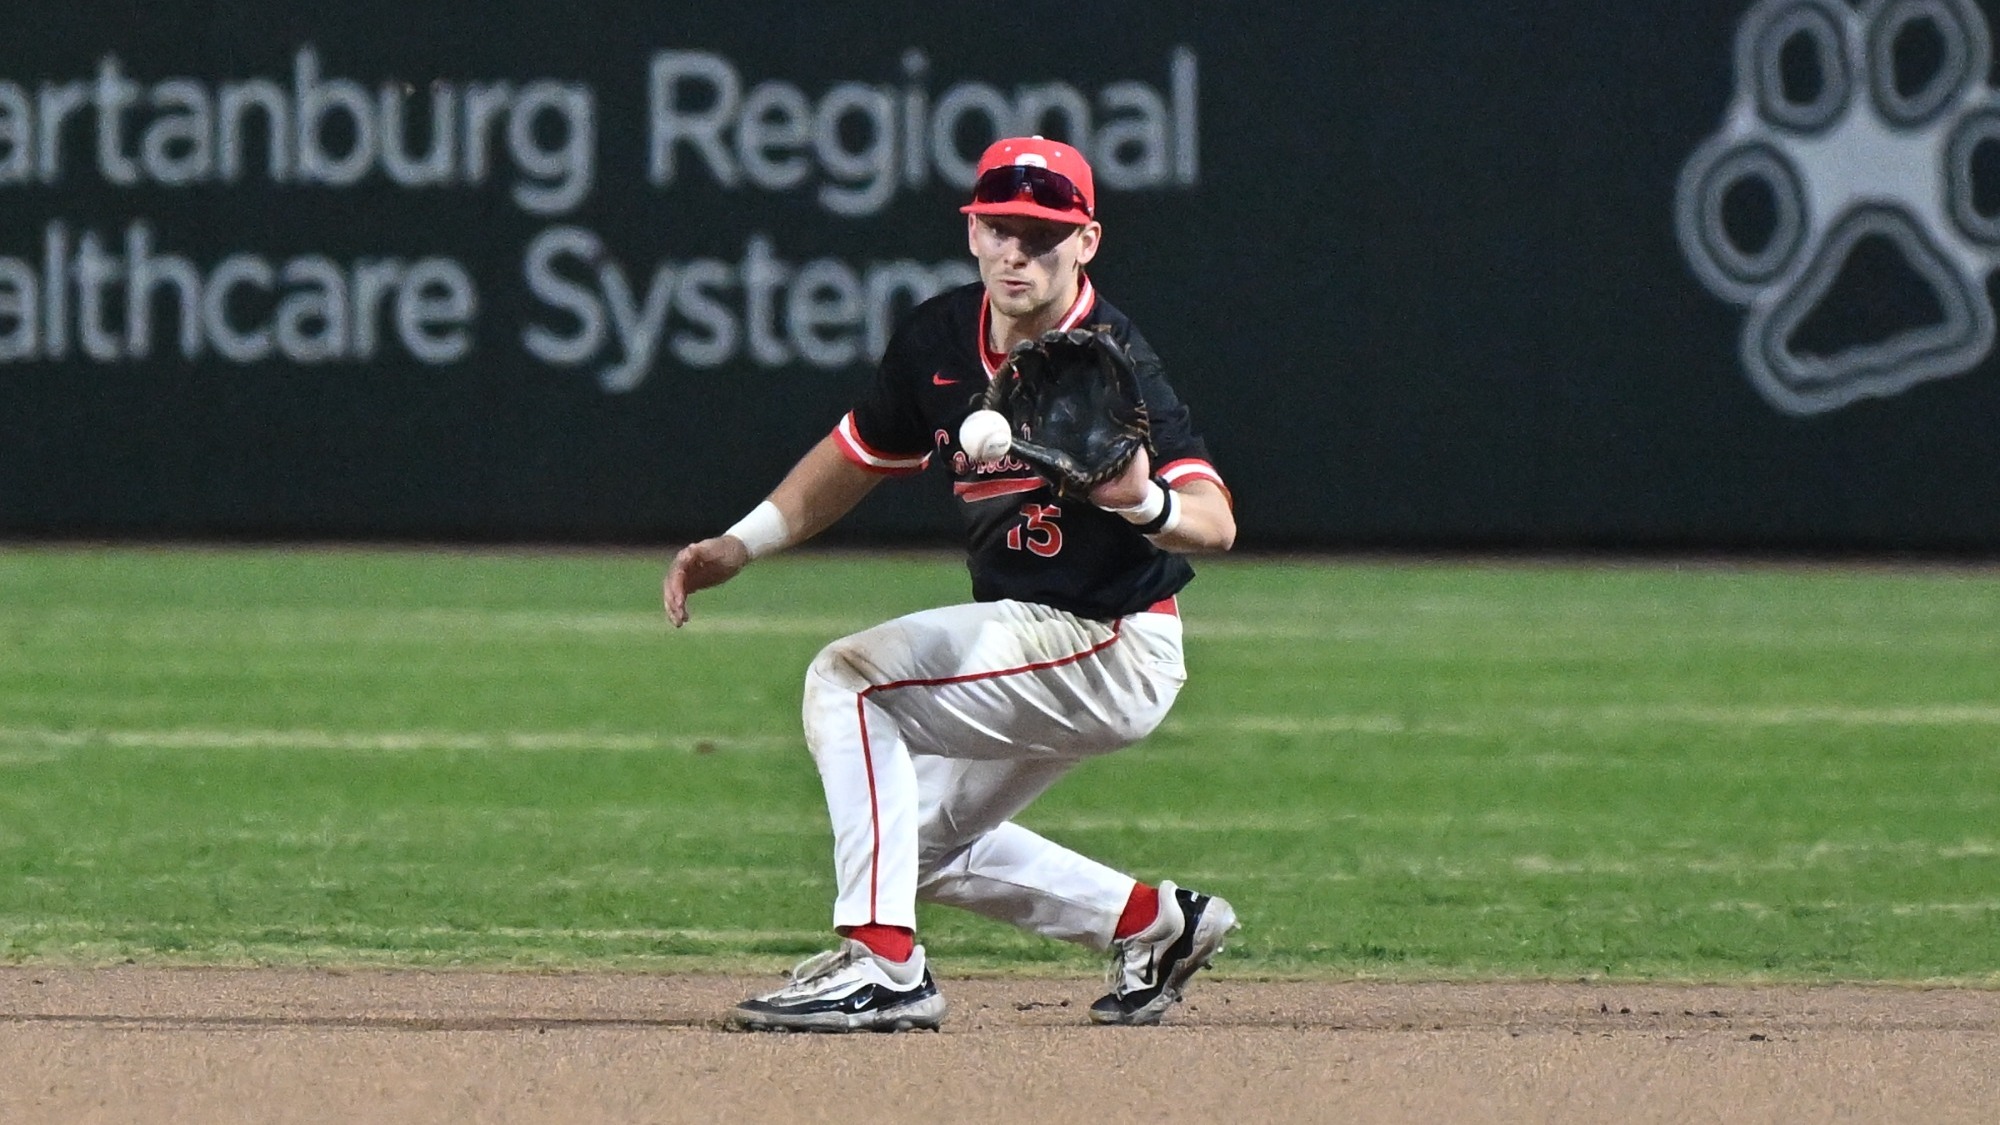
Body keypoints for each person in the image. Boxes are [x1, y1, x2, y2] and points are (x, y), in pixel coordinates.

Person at [664, 136, 1238, 1033]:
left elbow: (1215, 515)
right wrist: (742, 543)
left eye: (1043, 233)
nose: (1018, 250)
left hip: (1109, 636)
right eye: (1000, 227)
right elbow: (855, 454)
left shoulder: (1110, 356)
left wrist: (1146, 499)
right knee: (912, 842)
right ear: (972, 231)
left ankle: (883, 963)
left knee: (848, 678)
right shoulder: (939, 336)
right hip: (1034, 633)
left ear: (1087, 240)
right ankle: (1155, 926)